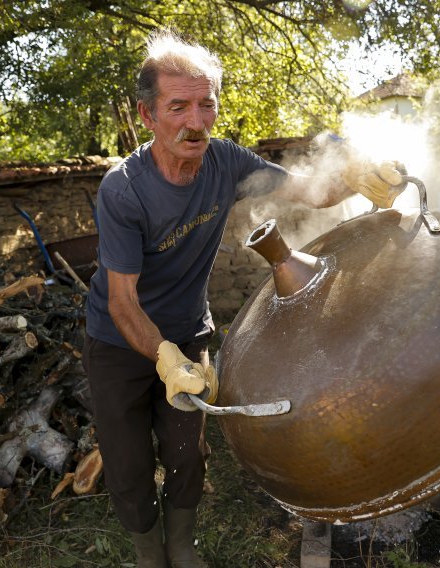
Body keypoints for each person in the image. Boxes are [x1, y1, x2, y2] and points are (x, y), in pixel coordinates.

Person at [82, 29, 405, 568]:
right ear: (147, 116)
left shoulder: (225, 163)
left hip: (188, 329)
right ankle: (147, 553)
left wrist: (355, 176)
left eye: (206, 104)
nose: (195, 121)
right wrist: (164, 357)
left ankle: (182, 545)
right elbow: (121, 302)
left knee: (188, 453)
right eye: (178, 106)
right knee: (128, 461)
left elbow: (315, 191)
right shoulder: (124, 189)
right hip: (119, 341)